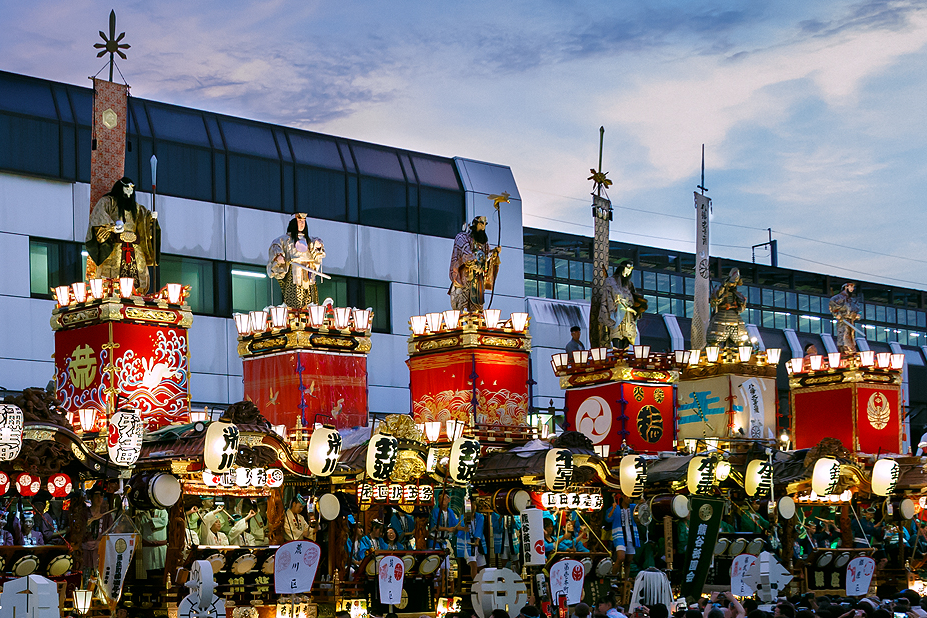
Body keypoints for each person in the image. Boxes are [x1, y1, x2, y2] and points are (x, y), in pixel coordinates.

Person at [85, 177, 160, 294]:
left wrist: (151, 219)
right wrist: (112, 227)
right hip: (115, 246)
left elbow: (144, 223)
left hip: (135, 249)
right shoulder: (108, 202)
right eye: (127, 188)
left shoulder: (137, 208)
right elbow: (98, 218)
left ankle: (138, 293)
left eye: (132, 189)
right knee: (113, 275)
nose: (130, 191)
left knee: (138, 275)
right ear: (120, 188)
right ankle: (111, 291)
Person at [267, 213, 326, 309]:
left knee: (311, 300)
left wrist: (318, 246)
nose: (302, 224)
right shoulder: (285, 239)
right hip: (294, 272)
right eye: (299, 221)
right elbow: (276, 246)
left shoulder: (309, 240)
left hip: (308, 272)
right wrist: (279, 256)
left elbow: (317, 250)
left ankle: (311, 313)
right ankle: (294, 313)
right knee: (294, 299)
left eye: (303, 221)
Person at [448, 215, 500, 312]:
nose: (483, 227)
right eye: (481, 224)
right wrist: (475, 258)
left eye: (485, 225)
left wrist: (494, 254)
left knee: (477, 312)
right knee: (458, 312)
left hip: (477, 281)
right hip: (464, 278)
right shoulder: (462, 237)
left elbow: (486, 258)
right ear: (475, 225)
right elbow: (466, 253)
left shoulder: (484, 244)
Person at [602, 259, 647, 348]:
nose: (628, 271)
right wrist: (625, 305)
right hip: (617, 311)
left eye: (630, 270)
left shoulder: (629, 284)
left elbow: (633, 296)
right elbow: (615, 295)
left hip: (628, 315)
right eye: (627, 268)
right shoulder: (611, 281)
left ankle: (625, 349)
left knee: (627, 336)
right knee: (616, 332)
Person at [706, 267, 749, 347]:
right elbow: (716, 299)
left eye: (734, 283)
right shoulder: (719, 289)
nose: (733, 285)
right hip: (722, 315)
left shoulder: (737, 294)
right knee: (714, 339)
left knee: (742, 340)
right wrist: (722, 288)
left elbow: (742, 306)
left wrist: (741, 302)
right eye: (731, 283)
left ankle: (743, 356)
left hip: (735, 317)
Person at [830, 283, 861, 354]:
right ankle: (845, 350)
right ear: (846, 287)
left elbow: (858, 309)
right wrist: (837, 314)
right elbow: (833, 307)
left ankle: (851, 350)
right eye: (851, 287)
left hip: (851, 320)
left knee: (851, 335)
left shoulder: (852, 300)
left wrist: (858, 314)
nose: (852, 289)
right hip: (843, 321)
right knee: (844, 335)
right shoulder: (837, 298)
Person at [138, 508, 169, 577]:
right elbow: (140, 527)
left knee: (162, 570)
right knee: (149, 571)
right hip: (148, 548)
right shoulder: (143, 513)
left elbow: (164, 521)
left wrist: (150, 520)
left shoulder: (162, 511)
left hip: (161, 547)